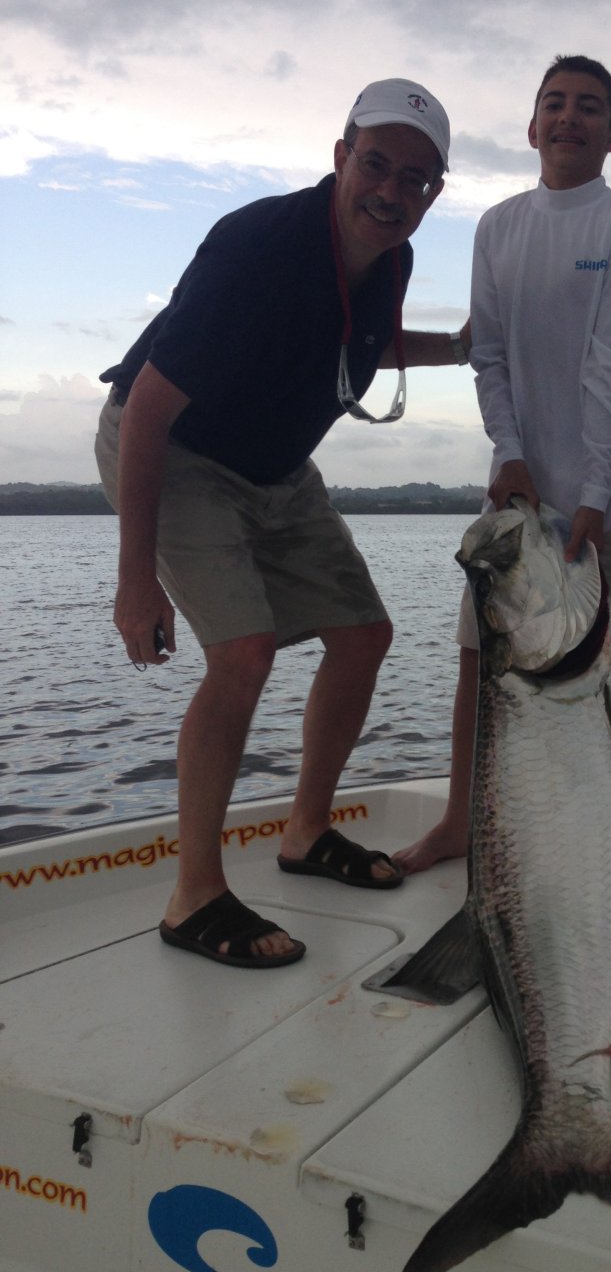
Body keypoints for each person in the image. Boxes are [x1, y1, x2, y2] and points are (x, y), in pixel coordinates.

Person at [95, 78, 472, 969]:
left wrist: (461, 347)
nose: (391, 190)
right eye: (376, 163)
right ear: (340, 156)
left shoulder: (392, 256)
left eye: (415, 178)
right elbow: (148, 409)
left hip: (274, 468)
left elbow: (365, 339)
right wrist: (134, 577)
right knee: (245, 652)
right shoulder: (259, 248)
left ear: (434, 193)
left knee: (363, 634)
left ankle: (306, 832)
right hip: (176, 449)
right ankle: (193, 896)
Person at [394, 56, 611, 942]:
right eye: (554, 103)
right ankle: (458, 821)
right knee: (480, 664)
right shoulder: (498, 228)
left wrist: (590, 492)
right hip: (522, 503)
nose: (569, 117)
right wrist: (510, 455)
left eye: (590, 107)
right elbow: (492, 356)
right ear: (531, 126)